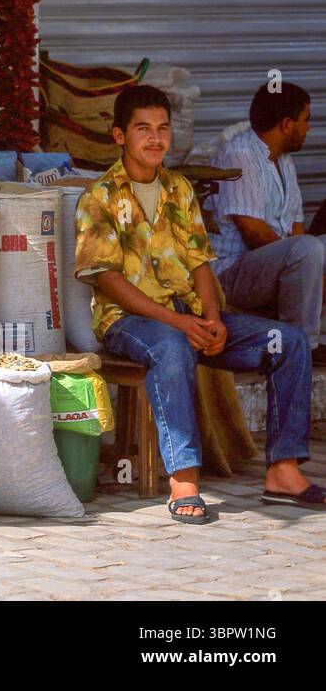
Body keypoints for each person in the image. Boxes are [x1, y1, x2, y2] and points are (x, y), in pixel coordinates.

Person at [75, 84, 320, 522]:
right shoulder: (100, 197)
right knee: (171, 345)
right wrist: (177, 322)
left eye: (162, 128)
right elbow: (108, 280)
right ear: (118, 136)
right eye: (142, 129)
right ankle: (184, 478)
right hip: (129, 321)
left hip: (188, 315)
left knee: (290, 341)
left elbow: (201, 264)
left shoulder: (180, 189)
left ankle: (283, 472)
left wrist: (211, 317)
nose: (155, 139)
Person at [210, 83, 326, 364]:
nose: (309, 128)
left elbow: (297, 227)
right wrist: (307, 264)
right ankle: (304, 346)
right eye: (306, 120)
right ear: (287, 124)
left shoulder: (283, 160)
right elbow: (254, 233)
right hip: (231, 274)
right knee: (307, 249)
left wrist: (312, 272)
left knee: (309, 249)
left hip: (268, 267)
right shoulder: (239, 156)